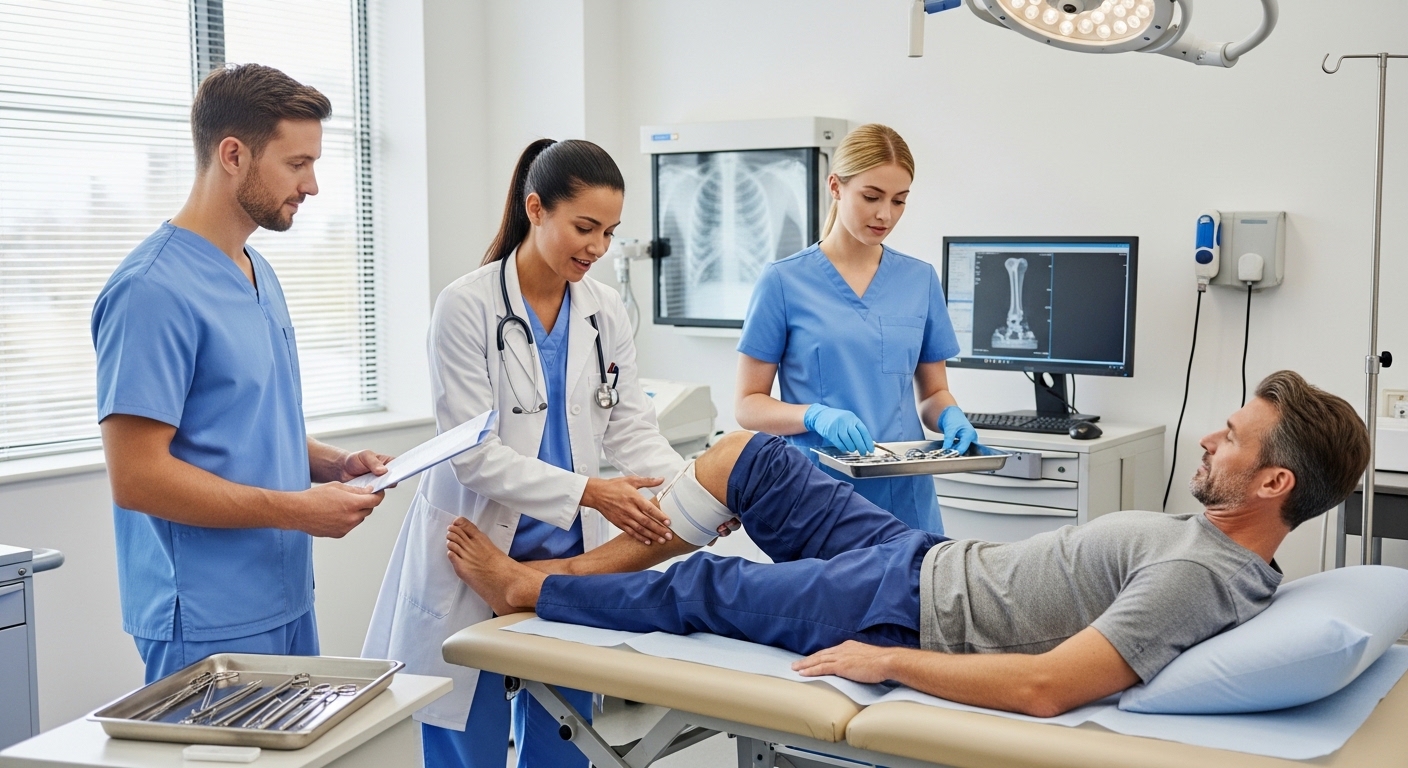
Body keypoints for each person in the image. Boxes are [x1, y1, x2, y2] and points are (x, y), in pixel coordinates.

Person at [447, 370, 1370, 718]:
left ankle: (530, 591)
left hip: (905, 610)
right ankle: (563, 571)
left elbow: (1048, 687)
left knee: (707, 590)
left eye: (1230, 439)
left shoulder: (1201, 577)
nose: (1208, 439)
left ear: (1274, 485)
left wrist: (887, 662)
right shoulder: (1216, 546)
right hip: (918, 554)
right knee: (752, 458)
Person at [363, 139, 723, 768]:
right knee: (467, 745)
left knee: (563, 746)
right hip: (475, 549)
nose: (598, 247)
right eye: (585, 228)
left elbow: (630, 427)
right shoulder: (467, 306)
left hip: (566, 562)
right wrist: (592, 492)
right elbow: (473, 456)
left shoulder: (604, 310)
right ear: (536, 209)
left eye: (609, 232)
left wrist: (698, 488)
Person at [91, 64, 391, 684]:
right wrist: (296, 510)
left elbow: (243, 425)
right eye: (297, 163)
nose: (312, 185)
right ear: (233, 155)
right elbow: (137, 477)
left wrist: (332, 464)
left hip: (284, 594)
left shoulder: (257, 271)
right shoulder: (150, 291)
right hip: (206, 615)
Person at [735, 124, 976, 534]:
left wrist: (951, 415)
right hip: (818, 495)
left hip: (906, 497)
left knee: (921, 577)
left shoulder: (919, 280)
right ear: (836, 186)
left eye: (899, 201)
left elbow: (933, 395)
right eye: (871, 197)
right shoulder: (784, 281)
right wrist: (814, 416)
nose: (885, 215)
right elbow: (748, 405)